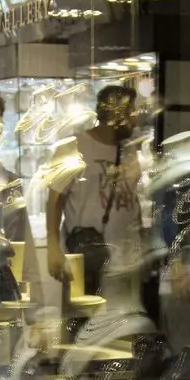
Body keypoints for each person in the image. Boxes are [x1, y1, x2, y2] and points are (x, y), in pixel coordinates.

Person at [46, 85, 141, 296]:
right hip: (86, 260)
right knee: (84, 314)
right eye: (131, 113)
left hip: (125, 263)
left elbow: (132, 200)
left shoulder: (129, 150)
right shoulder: (73, 148)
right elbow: (55, 199)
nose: (135, 121)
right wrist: (53, 246)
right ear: (116, 113)